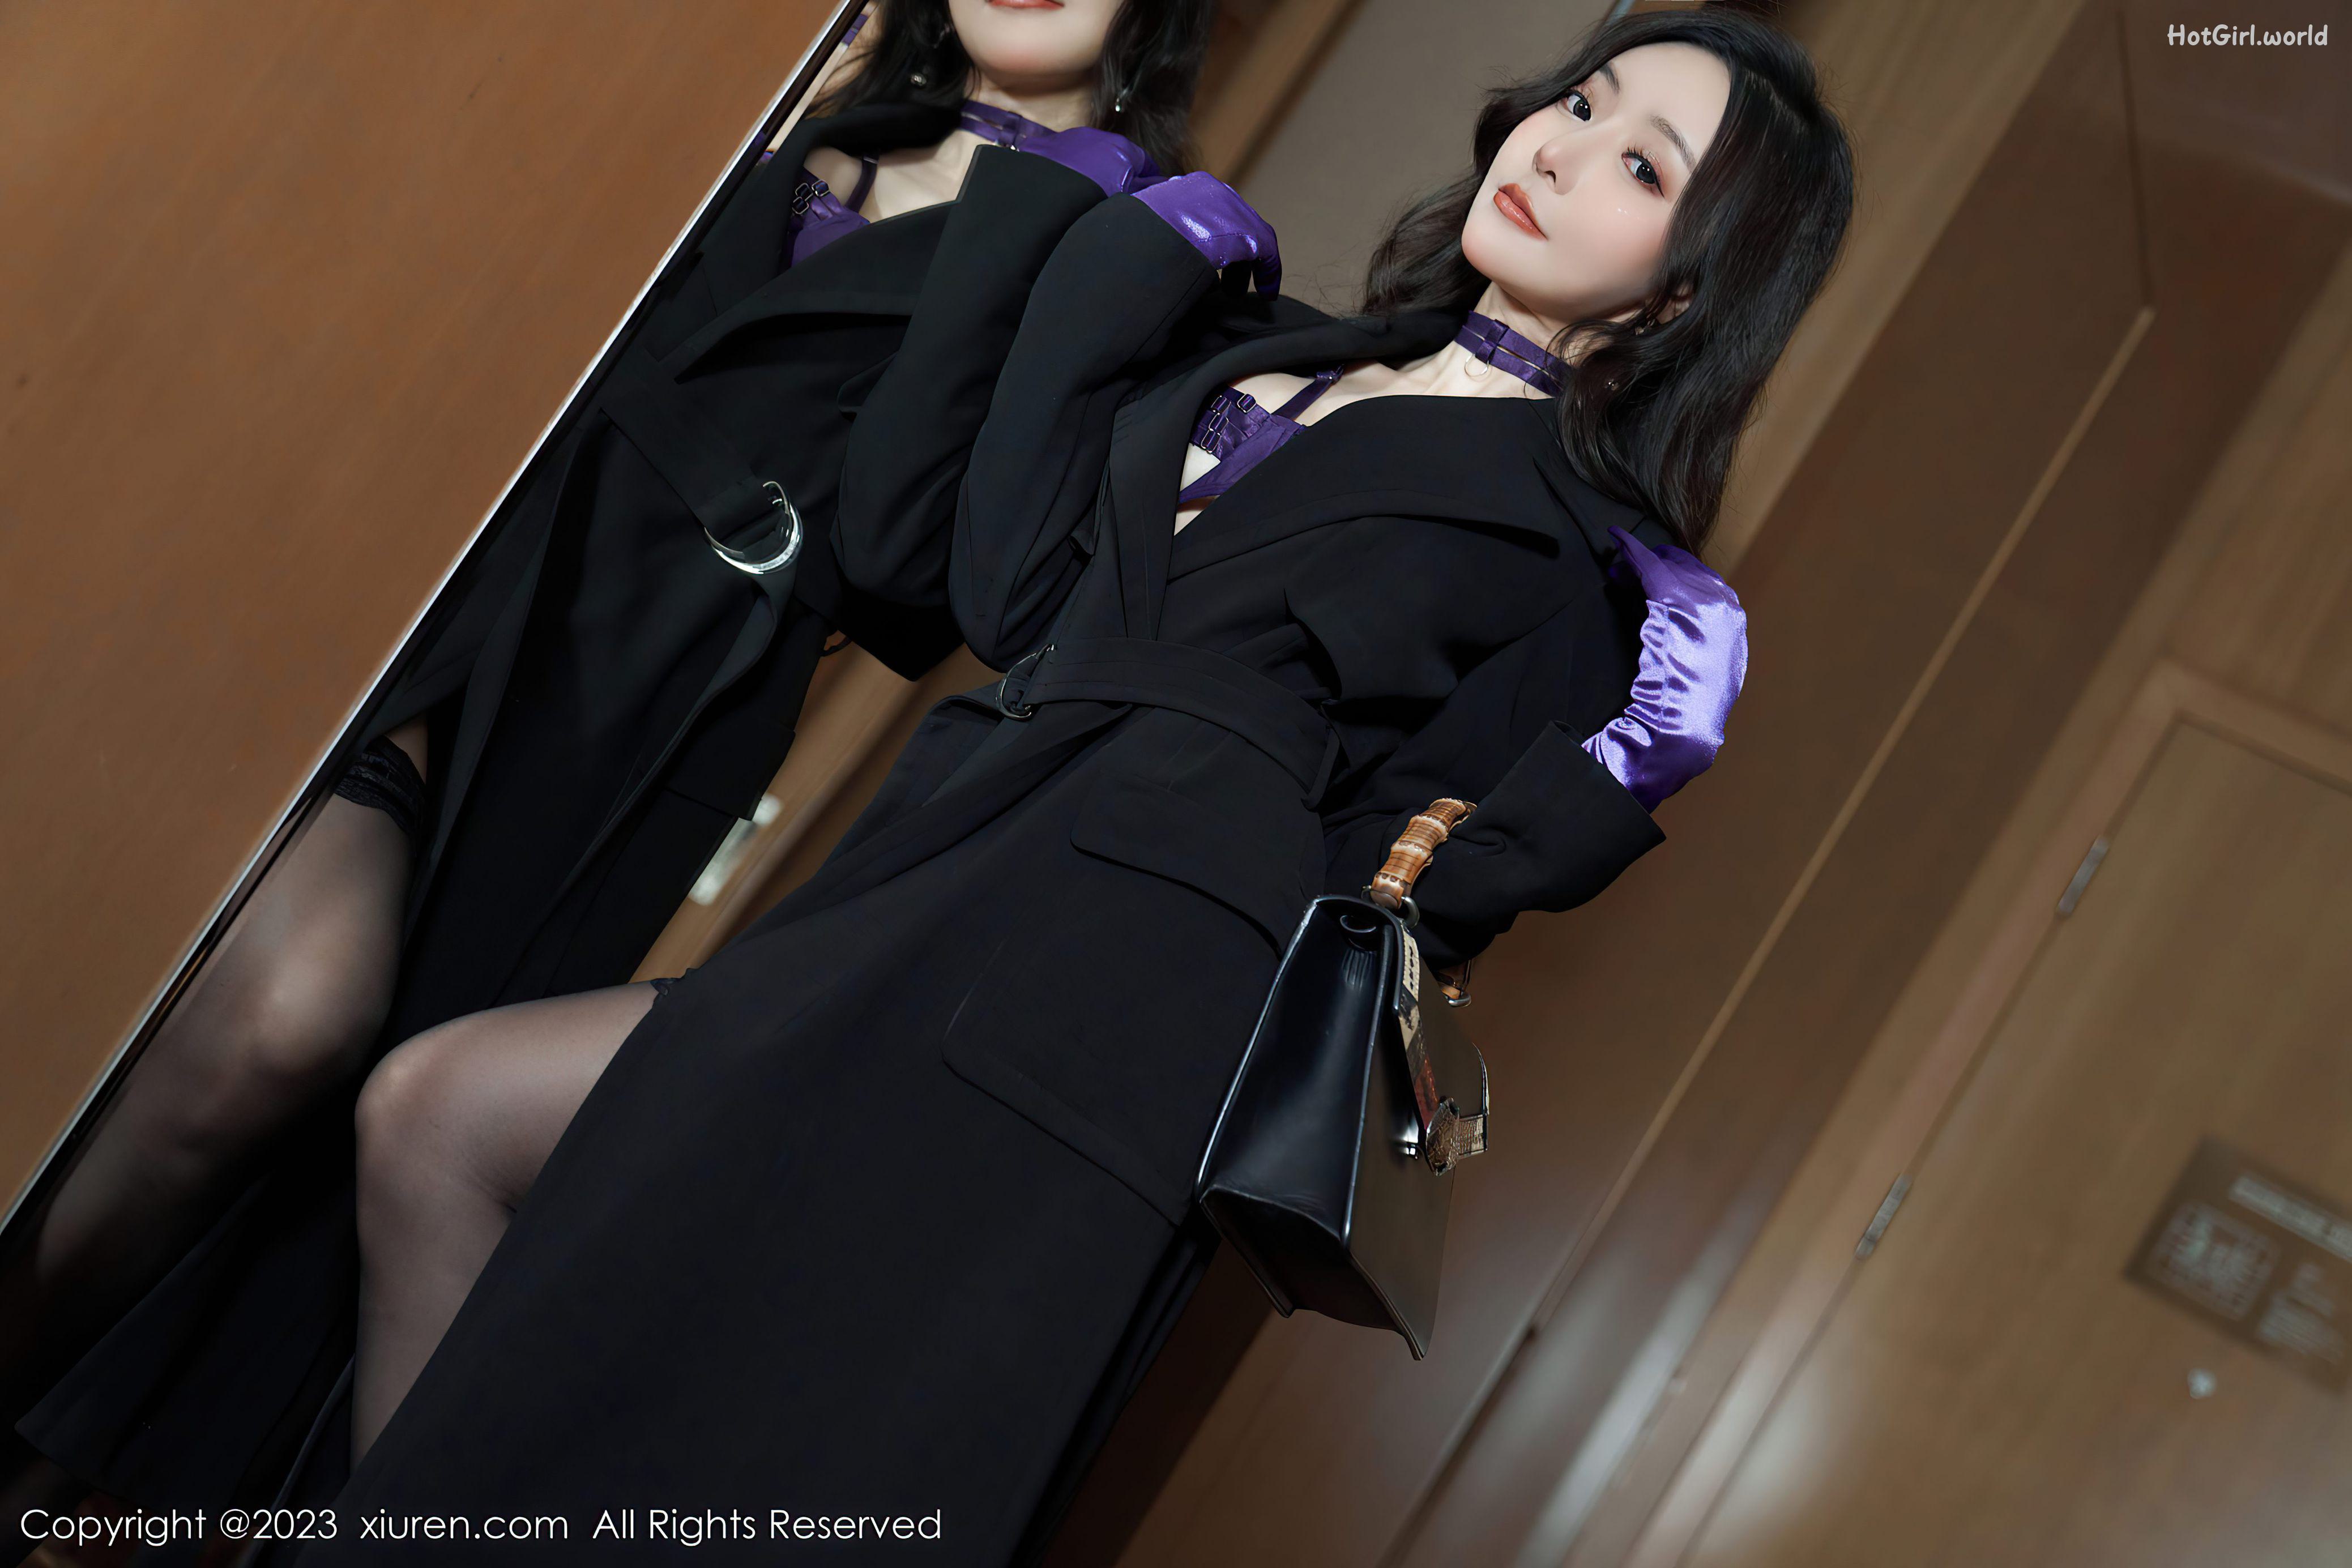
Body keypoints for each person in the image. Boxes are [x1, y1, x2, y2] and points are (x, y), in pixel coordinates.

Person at [322, 8, 1850, 1563]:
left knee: (690, 1365)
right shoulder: (1269, 351)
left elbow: (1404, 898)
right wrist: (1109, 254)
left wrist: (1607, 765)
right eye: (1581, 102)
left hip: (1101, 1034)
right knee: (448, 1134)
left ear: (1681, 293)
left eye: (1642, 164)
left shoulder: (1582, 572)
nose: (1565, 151)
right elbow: (959, 570)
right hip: (932, 888)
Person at [7, 0, 1216, 1527]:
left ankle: (62, 1483)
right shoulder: (816, 96)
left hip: (631, 709)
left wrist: (1038, 205)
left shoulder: (1120, 248)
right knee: (226, 1009)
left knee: (301, 1086)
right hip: (456, 578)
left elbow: (922, 579)